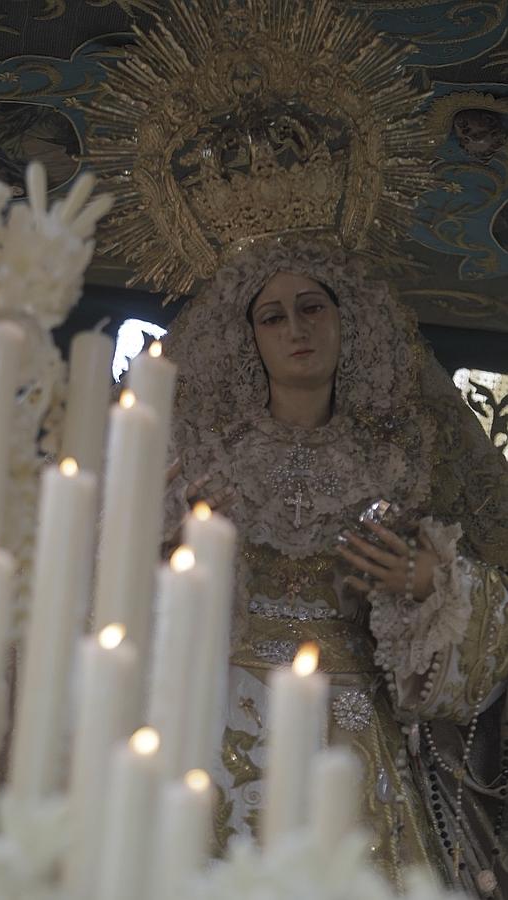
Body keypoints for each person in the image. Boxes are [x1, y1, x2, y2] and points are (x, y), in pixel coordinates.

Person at [161, 238, 508, 897]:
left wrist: (431, 587)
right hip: (215, 715)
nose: (295, 328)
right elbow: (104, 593)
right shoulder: (197, 455)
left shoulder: (408, 458)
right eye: (272, 316)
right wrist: (172, 555)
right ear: (249, 340)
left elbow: (487, 629)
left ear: (347, 320)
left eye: (312, 307)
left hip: (350, 727)